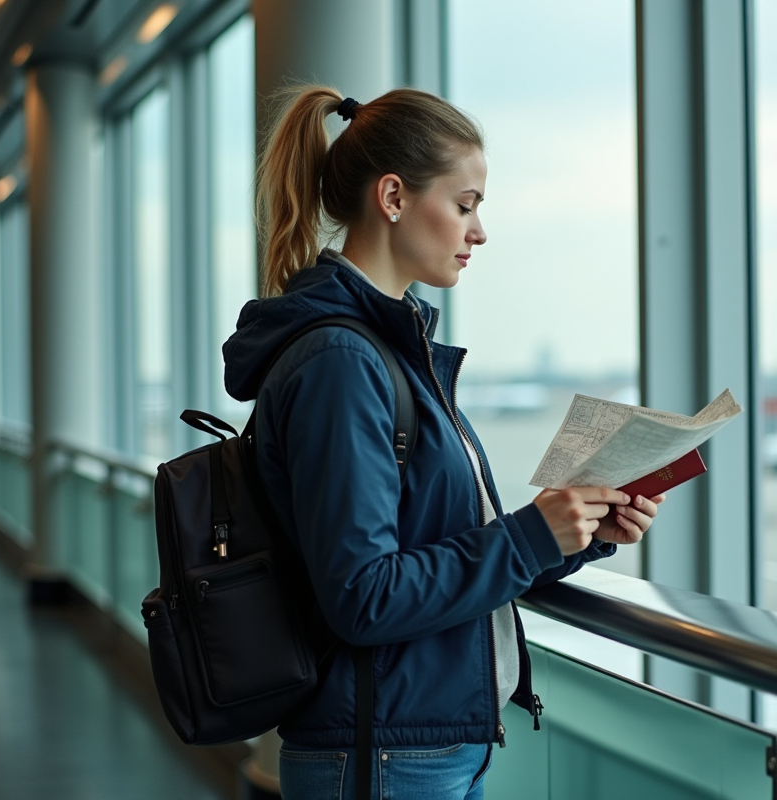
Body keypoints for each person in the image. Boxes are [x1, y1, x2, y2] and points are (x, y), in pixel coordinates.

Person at [222, 86, 664, 800]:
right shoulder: (344, 362)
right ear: (393, 197)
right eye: (465, 205)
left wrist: (572, 535)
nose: (479, 230)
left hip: (422, 747)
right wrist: (528, 537)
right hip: (383, 760)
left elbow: (439, 549)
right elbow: (364, 596)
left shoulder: (390, 353)